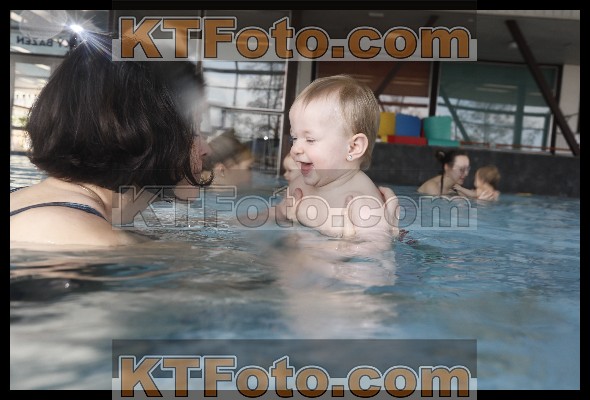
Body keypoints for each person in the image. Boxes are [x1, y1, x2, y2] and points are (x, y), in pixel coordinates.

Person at [10, 33, 213, 248]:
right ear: (141, 131)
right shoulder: (74, 234)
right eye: (193, 128)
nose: (206, 149)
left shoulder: (40, 206)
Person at [276, 75, 397, 241]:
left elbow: (375, 251)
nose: (295, 149)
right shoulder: (298, 185)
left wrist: (327, 240)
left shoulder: (362, 204)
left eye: (310, 139)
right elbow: (276, 214)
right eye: (294, 138)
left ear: (353, 147)